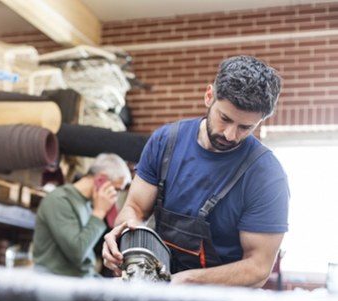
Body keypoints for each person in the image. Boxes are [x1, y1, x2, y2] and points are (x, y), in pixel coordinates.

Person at [102, 55, 289, 287]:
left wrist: (188, 280)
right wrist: (123, 239)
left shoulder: (266, 175)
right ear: (209, 96)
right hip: (158, 289)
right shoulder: (165, 142)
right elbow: (135, 208)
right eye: (225, 118)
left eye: (245, 127)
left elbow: (258, 267)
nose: (231, 135)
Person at [32, 153, 131, 277]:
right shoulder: (60, 200)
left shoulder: (86, 205)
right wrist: (99, 212)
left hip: (78, 280)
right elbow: (77, 252)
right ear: (101, 180)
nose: (115, 197)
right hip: (57, 283)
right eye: (115, 189)